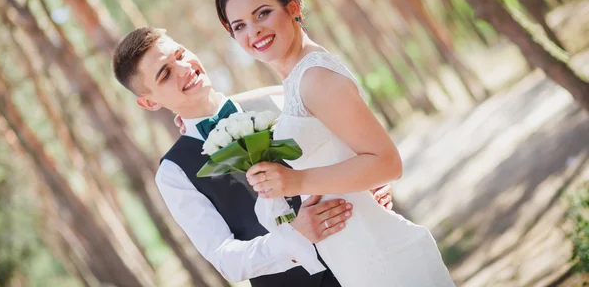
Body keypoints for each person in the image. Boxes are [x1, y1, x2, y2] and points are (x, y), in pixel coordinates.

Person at [214, 0, 455, 287]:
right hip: (358, 260)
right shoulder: (296, 78)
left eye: (262, 14)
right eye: (239, 25)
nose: (253, 31)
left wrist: (294, 183)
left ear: (293, 7)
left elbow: (387, 162)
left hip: (384, 257)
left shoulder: (316, 77)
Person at [111, 27, 393, 286]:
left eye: (181, 55)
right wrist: (294, 238)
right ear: (149, 102)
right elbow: (225, 258)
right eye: (165, 74)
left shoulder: (279, 99)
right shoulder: (174, 172)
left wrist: (371, 182)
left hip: (372, 257)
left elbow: (352, 147)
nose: (184, 68)